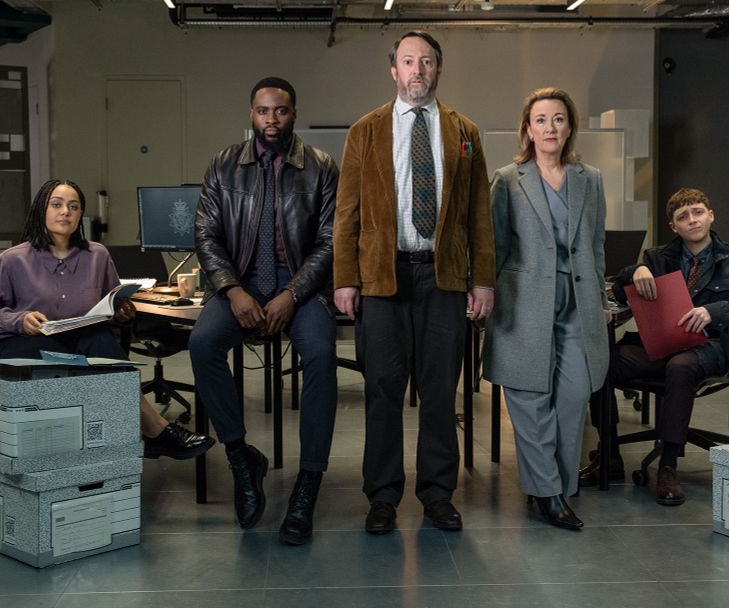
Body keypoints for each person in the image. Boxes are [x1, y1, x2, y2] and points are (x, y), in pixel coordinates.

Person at [333, 30, 495, 535]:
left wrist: (483, 280)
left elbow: (479, 214)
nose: (417, 70)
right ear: (394, 70)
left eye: (426, 61)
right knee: (382, 389)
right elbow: (346, 213)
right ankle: (382, 496)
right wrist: (345, 278)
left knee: (440, 389)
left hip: (443, 277)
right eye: (408, 61)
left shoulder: (465, 132)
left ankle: (437, 494)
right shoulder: (365, 131)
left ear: (438, 69)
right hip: (383, 277)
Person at [188, 77, 339, 543]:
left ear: (294, 114)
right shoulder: (224, 164)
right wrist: (231, 289)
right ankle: (241, 457)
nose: (271, 119)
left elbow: (330, 240)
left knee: (321, 356)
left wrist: (292, 293)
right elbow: (206, 234)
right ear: (251, 114)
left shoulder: (321, 166)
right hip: (241, 281)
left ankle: (308, 482)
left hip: (301, 284)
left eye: (281, 111)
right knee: (202, 344)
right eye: (263, 111)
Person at [0, 179, 214, 461]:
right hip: (28, 341)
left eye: (73, 207)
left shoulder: (97, 255)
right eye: (56, 205)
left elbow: (111, 303)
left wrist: (121, 312)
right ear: (41, 210)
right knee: (71, 350)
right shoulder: (12, 260)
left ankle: (150, 431)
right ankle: (154, 432)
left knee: (100, 341)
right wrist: (18, 320)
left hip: (82, 338)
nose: (66, 212)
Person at [579, 187, 729, 505]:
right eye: (683, 216)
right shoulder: (658, 258)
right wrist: (635, 271)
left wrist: (714, 311)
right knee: (602, 361)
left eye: (698, 212)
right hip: (663, 343)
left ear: (710, 215)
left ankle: (668, 466)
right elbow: (620, 290)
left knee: (680, 367)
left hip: (712, 346)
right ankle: (609, 454)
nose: (692, 220)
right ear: (674, 226)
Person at [483, 88, 610, 530]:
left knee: (574, 395)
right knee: (530, 398)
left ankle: (555, 485)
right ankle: (548, 494)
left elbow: (596, 246)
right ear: (527, 129)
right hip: (524, 302)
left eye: (558, 118)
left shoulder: (590, 178)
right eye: (541, 120)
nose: (550, 127)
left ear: (570, 127)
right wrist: (485, 296)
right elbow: (495, 247)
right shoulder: (507, 179)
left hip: (578, 301)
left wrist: (601, 300)